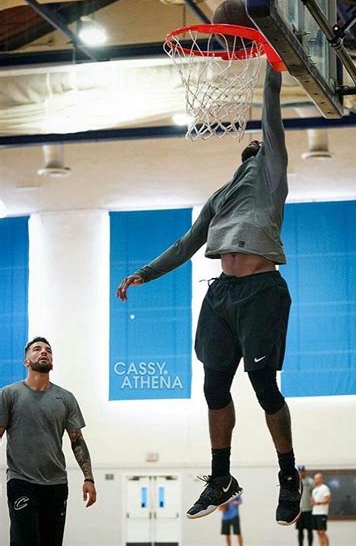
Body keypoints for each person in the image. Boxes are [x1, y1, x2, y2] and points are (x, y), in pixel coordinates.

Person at [117, 62, 301, 525]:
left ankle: (288, 476)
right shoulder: (220, 197)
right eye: (252, 148)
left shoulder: (270, 174)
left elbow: (271, 117)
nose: (257, 147)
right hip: (221, 294)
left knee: (264, 388)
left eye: (261, 146)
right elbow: (186, 244)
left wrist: (272, 66)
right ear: (242, 156)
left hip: (261, 291)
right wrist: (143, 273)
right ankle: (222, 478)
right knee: (213, 387)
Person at [0, 336, 97, 546]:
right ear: (26, 361)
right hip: (21, 481)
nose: (44, 352)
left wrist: (89, 478)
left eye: (48, 350)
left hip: (56, 484)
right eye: (37, 349)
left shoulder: (66, 398)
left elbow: (77, 440)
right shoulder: (9, 394)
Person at [296, 465, 315, 546]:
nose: (301, 473)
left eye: (302, 471)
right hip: (299, 511)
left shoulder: (310, 481)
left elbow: (314, 493)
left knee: (309, 529)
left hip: (308, 510)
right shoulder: (295, 482)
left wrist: (313, 500)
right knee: (300, 530)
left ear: (305, 472)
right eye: (300, 472)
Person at [311, 473, 331, 546]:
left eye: (316, 478)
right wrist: (312, 502)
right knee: (318, 532)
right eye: (314, 478)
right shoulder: (314, 490)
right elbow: (314, 501)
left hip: (322, 513)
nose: (315, 480)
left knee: (322, 531)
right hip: (315, 512)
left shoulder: (325, 488)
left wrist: (318, 503)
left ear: (321, 479)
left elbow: (328, 500)